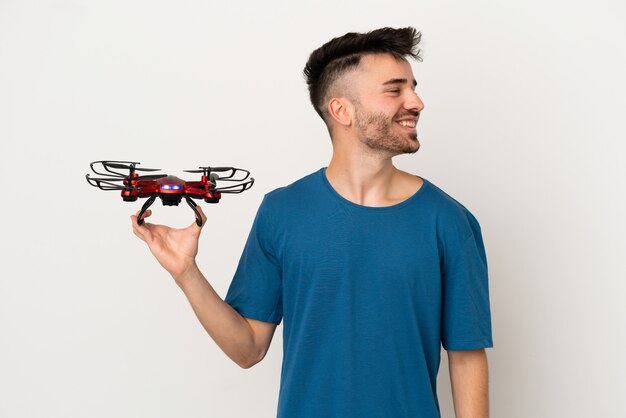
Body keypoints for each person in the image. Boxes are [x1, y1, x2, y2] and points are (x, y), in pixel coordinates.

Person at [131, 26, 493, 418]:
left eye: (413, 87)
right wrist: (186, 272)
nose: (417, 101)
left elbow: (467, 356)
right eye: (395, 89)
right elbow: (248, 348)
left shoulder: (450, 222)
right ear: (342, 110)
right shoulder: (282, 212)